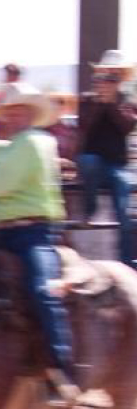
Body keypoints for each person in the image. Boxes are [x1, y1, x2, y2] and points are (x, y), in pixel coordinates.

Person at [0, 78, 77, 403]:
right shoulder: (19, 143)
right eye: (10, 110)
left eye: (20, 110)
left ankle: (59, 370)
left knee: (41, 290)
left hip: (31, 234)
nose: (14, 115)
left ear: (32, 113)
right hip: (4, 235)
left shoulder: (34, 142)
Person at [75, 51, 137, 265]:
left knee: (124, 211)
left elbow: (127, 127)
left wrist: (110, 104)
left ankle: (126, 261)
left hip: (116, 166)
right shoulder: (86, 99)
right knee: (88, 161)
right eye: (106, 75)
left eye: (114, 76)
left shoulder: (127, 101)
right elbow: (84, 127)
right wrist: (100, 103)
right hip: (94, 165)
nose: (109, 80)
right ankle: (89, 209)